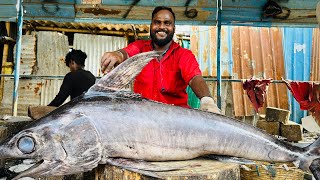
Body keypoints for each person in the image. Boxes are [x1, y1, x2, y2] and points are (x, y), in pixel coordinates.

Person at [100, 6, 220, 113]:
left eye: (167, 23)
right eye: (157, 22)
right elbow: (126, 53)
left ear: (173, 27)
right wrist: (117, 54)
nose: (161, 27)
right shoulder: (140, 47)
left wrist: (207, 100)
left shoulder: (183, 55)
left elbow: (194, 78)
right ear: (151, 25)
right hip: (143, 117)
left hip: (175, 119)